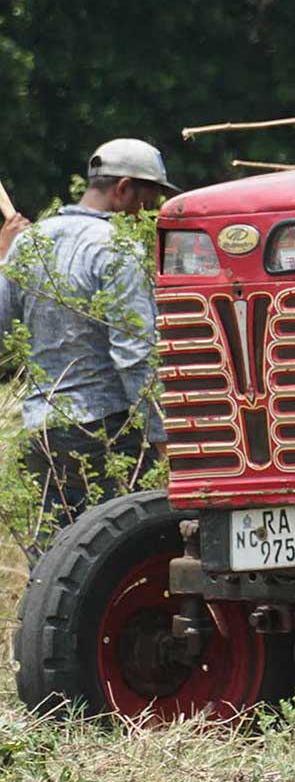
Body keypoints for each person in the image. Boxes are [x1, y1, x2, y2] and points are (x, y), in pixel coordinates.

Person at [0, 139, 176, 543]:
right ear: (124, 188)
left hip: (43, 430)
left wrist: (4, 259)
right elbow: (134, 353)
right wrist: (162, 436)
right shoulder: (117, 249)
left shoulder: (31, 242)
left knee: (56, 561)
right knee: (120, 558)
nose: (146, 213)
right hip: (105, 433)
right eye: (147, 199)